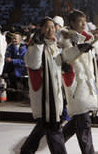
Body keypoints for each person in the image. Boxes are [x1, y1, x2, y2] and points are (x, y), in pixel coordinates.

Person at [20, 17, 67, 154]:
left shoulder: (54, 46)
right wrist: (38, 44)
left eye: (52, 27)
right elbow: (34, 64)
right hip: (44, 97)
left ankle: (26, 150)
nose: (50, 30)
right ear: (40, 29)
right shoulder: (35, 45)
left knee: (43, 126)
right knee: (53, 128)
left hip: (54, 96)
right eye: (47, 27)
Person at [61, 9, 98, 154]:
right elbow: (65, 57)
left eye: (85, 20)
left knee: (78, 122)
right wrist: (78, 49)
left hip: (87, 84)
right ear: (72, 23)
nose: (84, 24)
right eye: (80, 21)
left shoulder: (87, 38)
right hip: (76, 84)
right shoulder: (66, 40)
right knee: (84, 122)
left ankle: (56, 142)